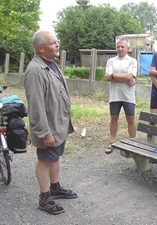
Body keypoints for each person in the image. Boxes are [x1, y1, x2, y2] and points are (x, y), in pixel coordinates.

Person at [24, 30, 77, 215]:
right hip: (49, 127)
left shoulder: (51, 63)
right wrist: (44, 133)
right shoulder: (35, 70)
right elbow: (36, 105)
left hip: (58, 124)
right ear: (40, 48)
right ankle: (44, 197)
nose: (57, 45)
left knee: (54, 156)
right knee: (45, 160)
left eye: (57, 42)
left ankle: (55, 187)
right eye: (53, 43)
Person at [104, 37, 137, 154]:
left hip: (128, 96)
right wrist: (125, 78)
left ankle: (133, 142)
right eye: (118, 46)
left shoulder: (132, 61)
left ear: (128, 48)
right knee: (114, 118)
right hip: (114, 95)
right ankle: (112, 141)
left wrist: (113, 75)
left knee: (131, 119)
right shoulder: (111, 61)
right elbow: (108, 78)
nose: (120, 48)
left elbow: (130, 77)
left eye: (122, 46)